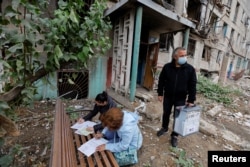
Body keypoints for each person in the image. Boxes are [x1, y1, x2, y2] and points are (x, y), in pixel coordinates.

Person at [157, 47, 197, 147]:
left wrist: (191, 100)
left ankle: (174, 135)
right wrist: (160, 93)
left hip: (181, 98)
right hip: (168, 96)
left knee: (178, 117)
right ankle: (164, 127)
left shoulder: (190, 69)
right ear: (175, 57)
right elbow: (161, 81)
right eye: (182, 55)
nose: (184, 57)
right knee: (166, 113)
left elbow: (192, 85)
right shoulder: (167, 67)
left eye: (185, 55)